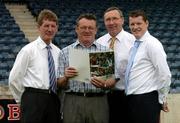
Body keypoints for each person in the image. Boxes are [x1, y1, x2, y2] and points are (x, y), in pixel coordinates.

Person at [57, 13, 115, 123]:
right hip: (73, 100)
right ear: (77, 29)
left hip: (98, 101)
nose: (87, 30)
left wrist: (105, 84)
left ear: (96, 30)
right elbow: (59, 83)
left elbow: (112, 79)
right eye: (83, 27)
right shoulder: (64, 52)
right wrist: (66, 77)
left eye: (90, 28)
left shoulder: (105, 51)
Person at [9, 9, 61, 123]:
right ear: (39, 27)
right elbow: (14, 78)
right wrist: (21, 100)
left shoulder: (58, 52)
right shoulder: (28, 50)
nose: (50, 29)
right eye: (46, 25)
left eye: (53, 26)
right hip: (32, 98)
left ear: (57, 28)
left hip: (53, 99)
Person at [125, 9, 171, 123]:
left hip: (146, 100)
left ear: (147, 23)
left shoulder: (153, 44)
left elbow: (164, 74)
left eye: (139, 23)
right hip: (133, 100)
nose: (135, 27)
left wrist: (163, 99)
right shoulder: (134, 45)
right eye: (132, 24)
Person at [96, 7, 135, 123]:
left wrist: (116, 78)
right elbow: (98, 70)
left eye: (115, 19)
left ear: (122, 20)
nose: (111, 22)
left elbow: (136, 69)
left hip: (127, 97)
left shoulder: (133, 41)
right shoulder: (99, 42)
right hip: (104, 97)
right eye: (108, 20)